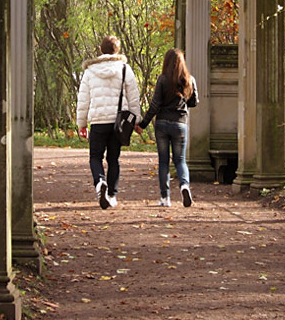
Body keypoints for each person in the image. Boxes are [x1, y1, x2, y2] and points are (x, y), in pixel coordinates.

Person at [76, 35, 143, 209]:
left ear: (100, 50)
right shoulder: (124, 69)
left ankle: (99, 182)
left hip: (98, 121)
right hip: (118, 121)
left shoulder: (90, 71)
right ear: (117, 50)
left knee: (95, 157)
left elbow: (83, 99)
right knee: (114, 159)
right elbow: (133, 96)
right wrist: (137, 120)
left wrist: (81, 124)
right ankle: (112, 195)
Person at [137, 47, 199, 207]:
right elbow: (194, 102)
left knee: (164, 161)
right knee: (180, 160)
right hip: (180, 124)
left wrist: (142, 124)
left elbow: (155, 105)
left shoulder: (163, 79)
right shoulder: (189, 80)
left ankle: (165, 198)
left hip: (162, 124)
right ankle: (184, 185)